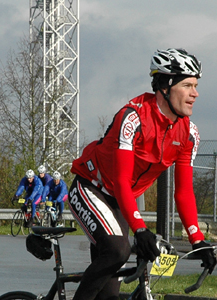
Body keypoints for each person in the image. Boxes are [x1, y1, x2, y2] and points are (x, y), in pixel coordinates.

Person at [67, 48, 217, 300]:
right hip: (91, 187)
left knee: (109, 295)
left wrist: (197, 240)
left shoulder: (189, 133)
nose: (195, 93)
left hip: (120, 200)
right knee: (118, 250)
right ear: (166, 87)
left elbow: (183, 192)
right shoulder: (132, 118)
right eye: (188, 85)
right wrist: (139, 229)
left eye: (196, 85)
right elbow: (122, 180)